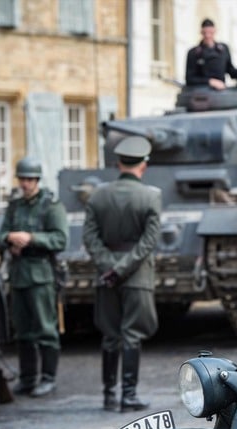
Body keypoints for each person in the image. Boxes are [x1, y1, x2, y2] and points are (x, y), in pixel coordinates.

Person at [82, 136, 161, 412]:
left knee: (110, 335)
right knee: (132, 335)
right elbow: (148, 242)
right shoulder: (151, 196)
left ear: (118, 163)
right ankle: (128, 396)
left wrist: (109, 267)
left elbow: (89, 238)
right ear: (144, 165)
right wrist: (123, 268)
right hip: (136, 275)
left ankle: (108, 395)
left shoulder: (98, 195)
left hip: (106, 275)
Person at [0, 156, 68, 397]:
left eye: (29, 179)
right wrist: (9, 239)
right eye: (22, 179)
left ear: (36, 180)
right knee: (22, 330)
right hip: (18, 274)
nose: (25, 184)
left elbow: (60, 239)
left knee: (45, 328)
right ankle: (27, 378)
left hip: (41, 274)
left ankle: (48, 377)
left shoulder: (50, 205)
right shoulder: (15, 206)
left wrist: (32, 238)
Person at [185, 18, 237, 90]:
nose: (207, 35)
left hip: (220, 94)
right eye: (205, 32)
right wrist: (210, 81)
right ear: (201, 32)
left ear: (215, 31)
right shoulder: (193, 52)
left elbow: (231, 71)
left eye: (210, 32)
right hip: (201, 94)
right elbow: (190, 79)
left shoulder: (223, 49)